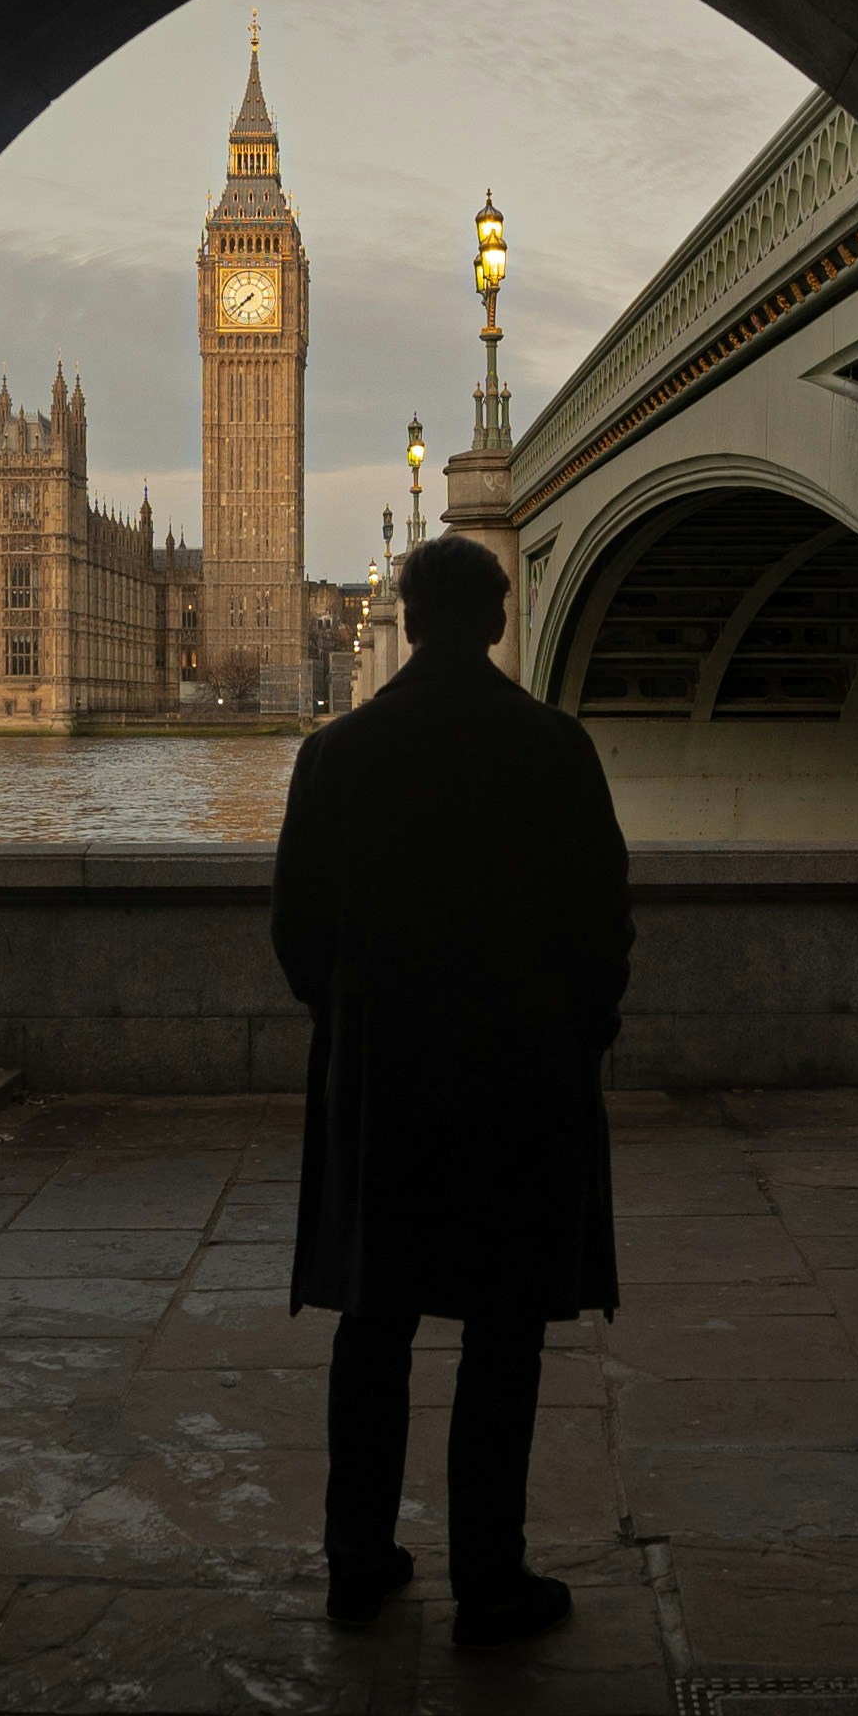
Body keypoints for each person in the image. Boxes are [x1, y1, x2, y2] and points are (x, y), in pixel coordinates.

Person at [269, 531, 635, 1644]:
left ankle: (358, 1559)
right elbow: (602, 925)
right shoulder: (555, 748)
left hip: (383, 1081)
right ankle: (489, 1578)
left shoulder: (336, 758)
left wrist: (360, 1018)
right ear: (498, 619)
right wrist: (572, 1035)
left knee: (372, 1331)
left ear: (410, 621)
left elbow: (297, 937)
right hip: (517, 1077)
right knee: (502, 1333)